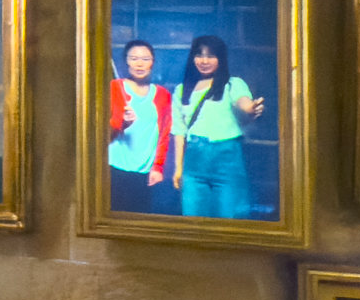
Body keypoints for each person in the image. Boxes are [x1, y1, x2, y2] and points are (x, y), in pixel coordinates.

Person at [170, 34, 267, 219]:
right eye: (199, 55)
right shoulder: (181, 90)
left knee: (229, 218)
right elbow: (179, 131)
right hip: (193, 162)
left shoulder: (232, 84)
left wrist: (252, 107)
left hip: (227, 160)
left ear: (221, 58)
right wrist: (178, 168)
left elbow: (243, 101)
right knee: (193, 220)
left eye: (211, 55)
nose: (204, 61)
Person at [105, 38, 174, 214]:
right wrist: (123, 124)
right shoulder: (114, 87)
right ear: (125, 61)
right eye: (134, 58)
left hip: (146, 172)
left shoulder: (163, 95)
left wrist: (158, 167)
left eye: (145, 59)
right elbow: (100, 134)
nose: (139, 64)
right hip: (114, 167)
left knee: (140, 220)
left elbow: (164, 135)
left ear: (153, 62)